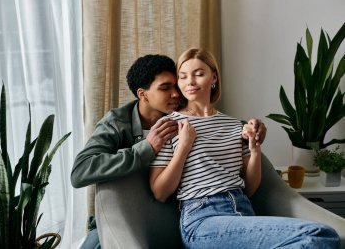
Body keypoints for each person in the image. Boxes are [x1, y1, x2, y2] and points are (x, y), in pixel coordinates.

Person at [149, 48, 341, 249]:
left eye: (199, 74)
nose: (190, 82)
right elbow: (160, 192)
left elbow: (249, 188)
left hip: (243, 210)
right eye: (183, 76)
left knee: (319, 240)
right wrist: (184, 147)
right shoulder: (170, 124)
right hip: (202, 220)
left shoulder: (235, 126)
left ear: (213, 77)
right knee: (320, 235)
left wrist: (255, 148)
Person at [71, 54, 267, 248]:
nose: (176, 93)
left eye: (176, 85)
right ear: (143, 94)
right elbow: (80, 171)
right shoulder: (117, 123)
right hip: (130, 216)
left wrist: (250, 129)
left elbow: (215, 125)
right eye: (165, 88)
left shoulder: (181, 113)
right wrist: (146, 148)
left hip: (190, 212)